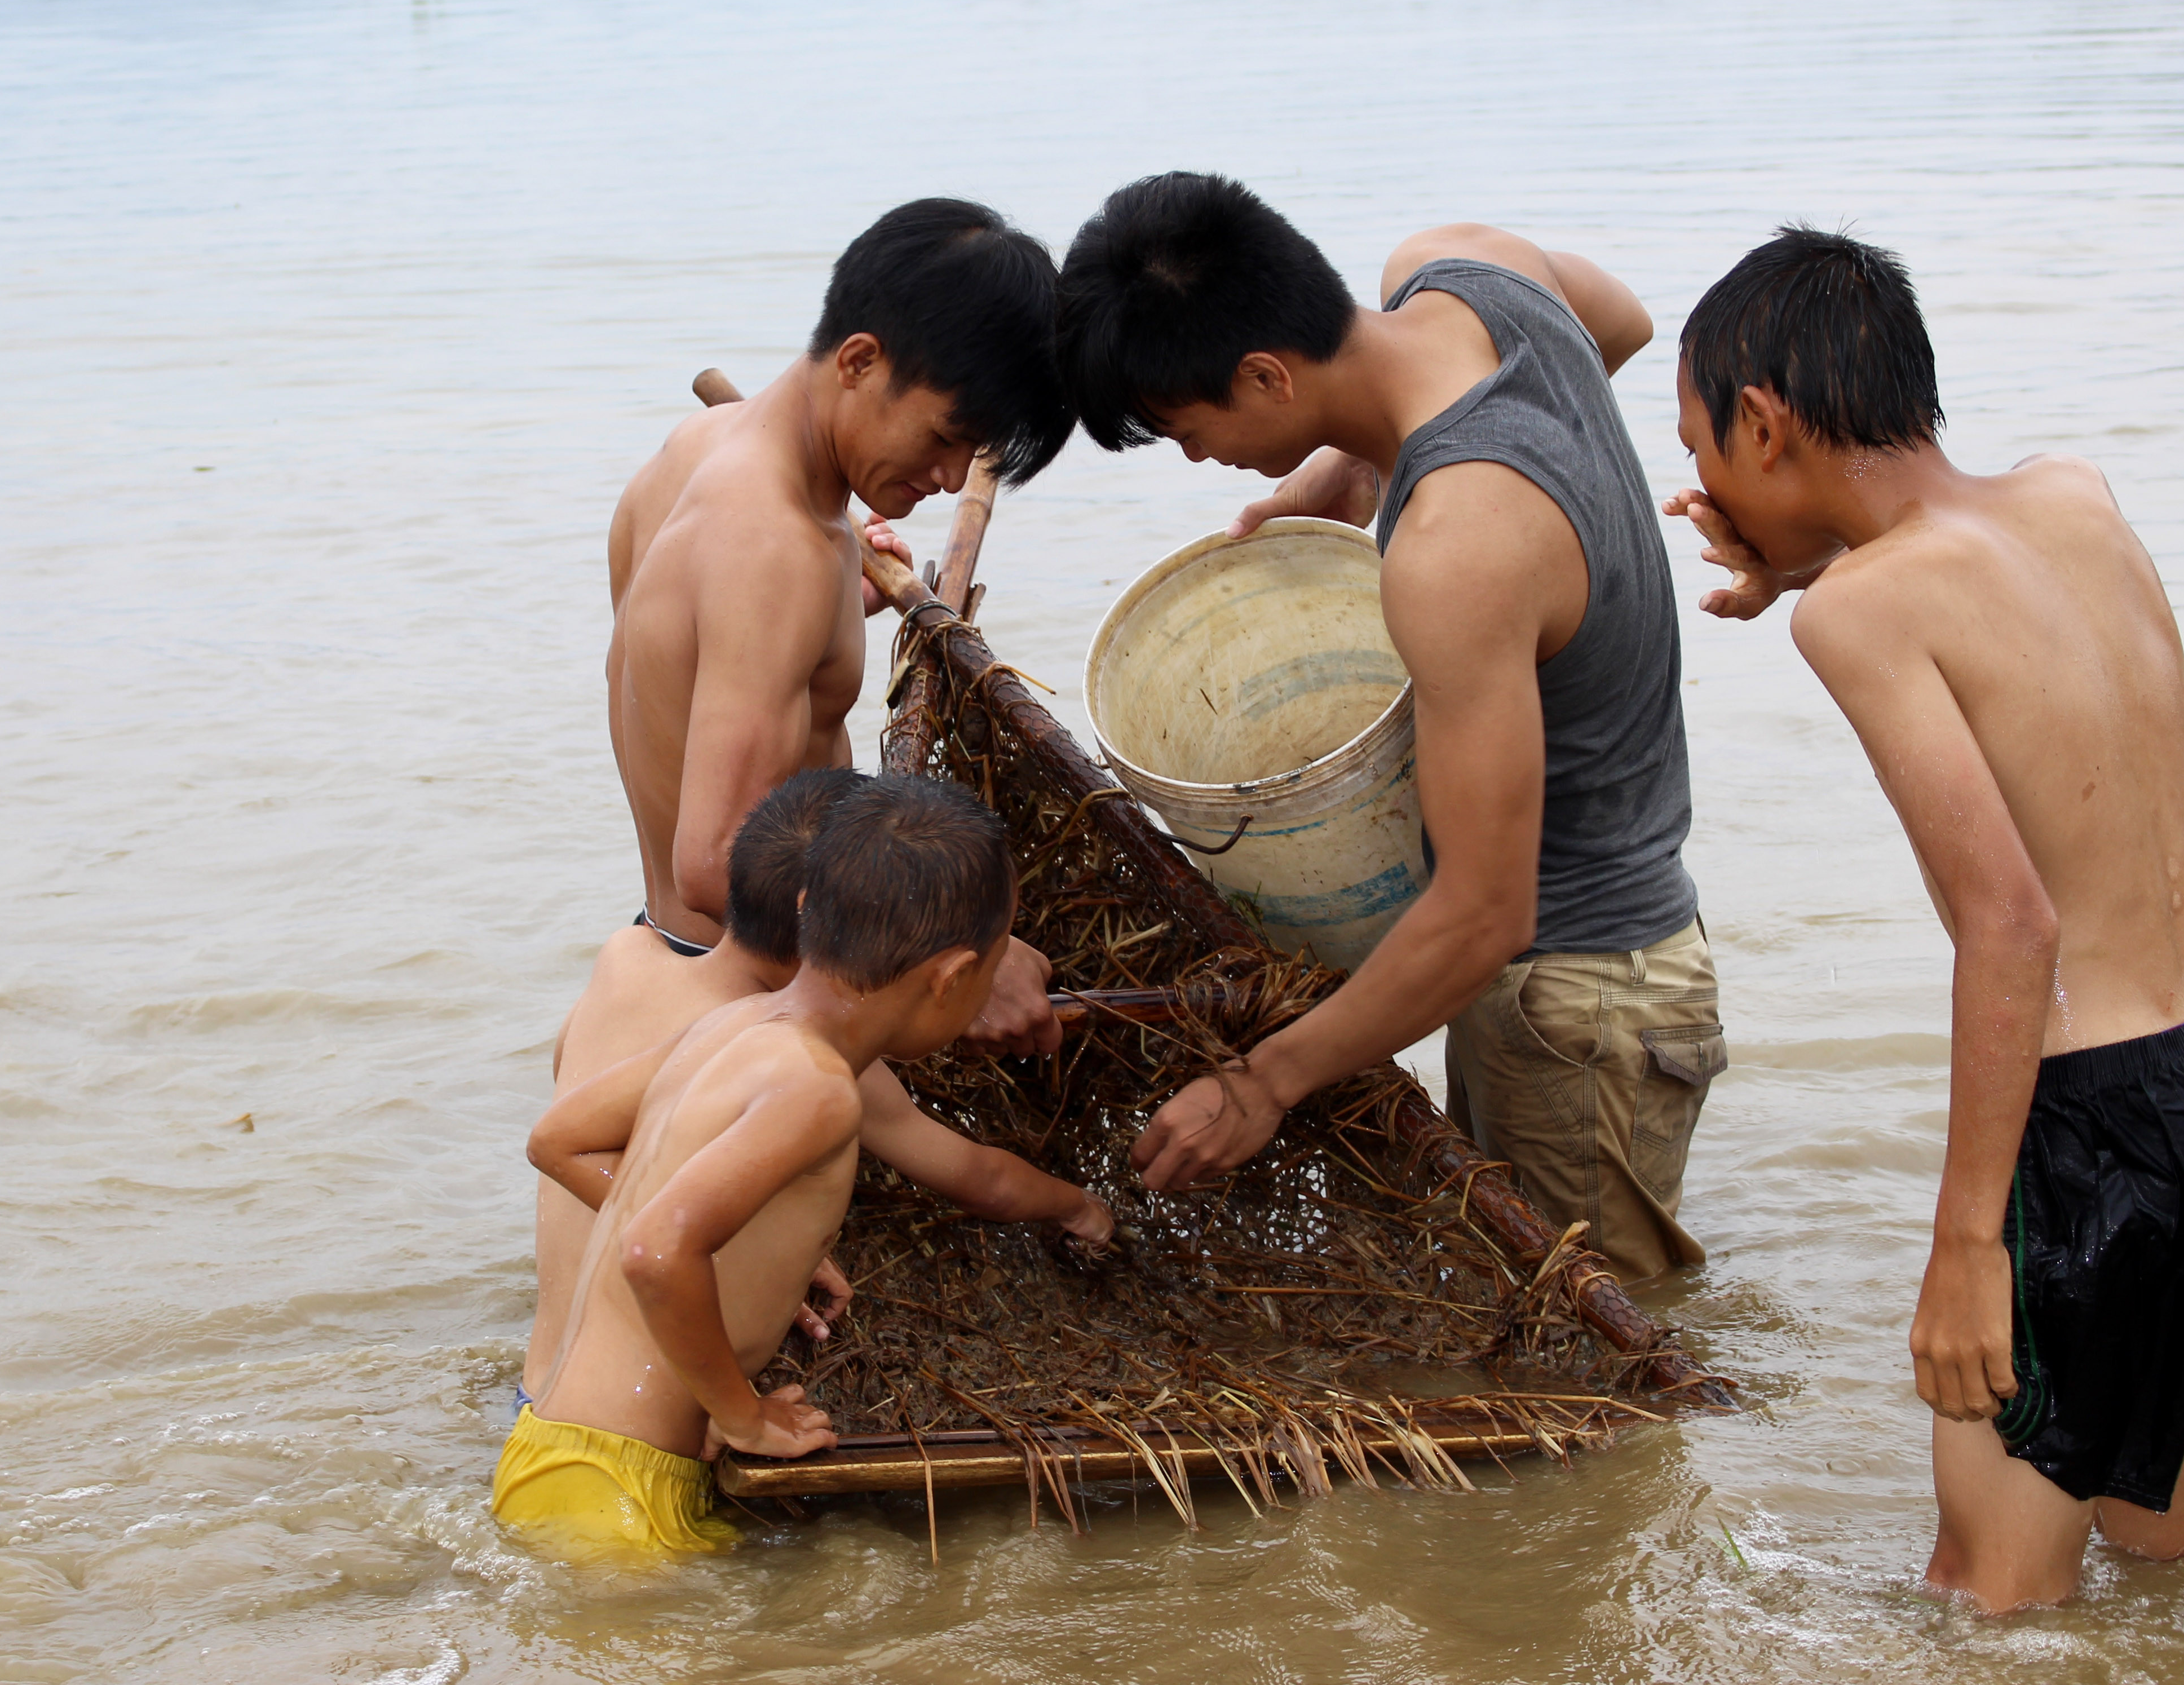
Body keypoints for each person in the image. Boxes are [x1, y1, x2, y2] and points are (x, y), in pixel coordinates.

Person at [1663, 226, 2184, 1611]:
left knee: (1989, 1596)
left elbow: (2012, 929)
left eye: (1708, 448)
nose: (1704, 487)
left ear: (1766, 422)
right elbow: (1998, 618)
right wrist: (1807, 553)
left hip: (2102, 1123)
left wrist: (1967, 1246)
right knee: (2170, 1556)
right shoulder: (2076, 496)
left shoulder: (1861, 614)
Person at [1055, 173, 1725, 1285]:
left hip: (1578, 998)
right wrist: (1369, 462)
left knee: (1593, 1373)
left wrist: (1263, 1084)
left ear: (1267, 374)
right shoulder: (1472, 270)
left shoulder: (1460, 549)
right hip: (1616, 967)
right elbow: (1624, 322)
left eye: (1187, 429)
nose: (1194, 458)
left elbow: (1481, 914)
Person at [502, 776, 1103, 1556]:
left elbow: (560, 1139)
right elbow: (656, 1249)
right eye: (989, 976)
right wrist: (739, 1411)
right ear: (952, 978)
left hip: (557, 1444)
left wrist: (748, 1249)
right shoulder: (820, 1090)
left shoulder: (732, 1024)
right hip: (620, 1488)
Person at [604, 196, 1069, 1055]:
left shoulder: (702, 446)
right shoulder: (775, 550)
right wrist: (960, 961)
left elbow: (682, 667)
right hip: (752, 1009)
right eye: (947, 435)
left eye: (977, 453)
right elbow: (714, 864)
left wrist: (826, 620)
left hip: (665, 966)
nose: (952, 473)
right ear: (860, 361)